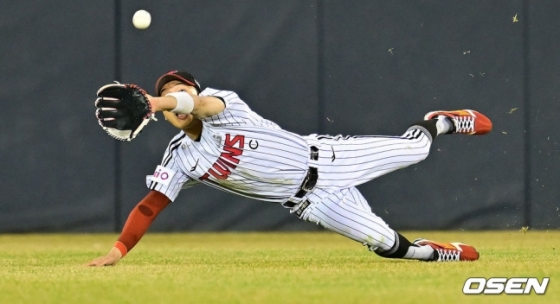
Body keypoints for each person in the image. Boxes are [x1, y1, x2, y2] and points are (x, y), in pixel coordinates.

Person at [87, 70, 492, 266]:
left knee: (417, 149)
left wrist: (159, 102)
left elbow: (198, 105)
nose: (174, 97)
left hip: (329, 158)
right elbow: (149, 207)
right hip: (309, 203)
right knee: (390, 247)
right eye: (164, 94)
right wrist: (117, 250)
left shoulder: (222, 105)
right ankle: (435, 252)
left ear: (195, 91)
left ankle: (442, 120)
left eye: (180, 89)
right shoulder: (180, 157)